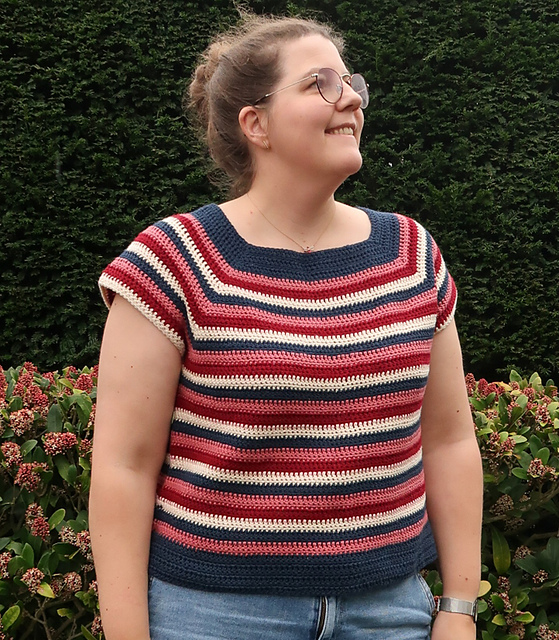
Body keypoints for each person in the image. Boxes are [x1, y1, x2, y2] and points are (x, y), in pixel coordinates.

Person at [89, 14, 483, 640]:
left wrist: (459, 609)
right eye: (319, 83)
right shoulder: (175, 262)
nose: (350, 97)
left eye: (351, 82)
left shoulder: (411, 255)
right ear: (257, 124)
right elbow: (123, 469)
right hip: (214, 618)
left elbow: (449, 442)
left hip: (389, 614)